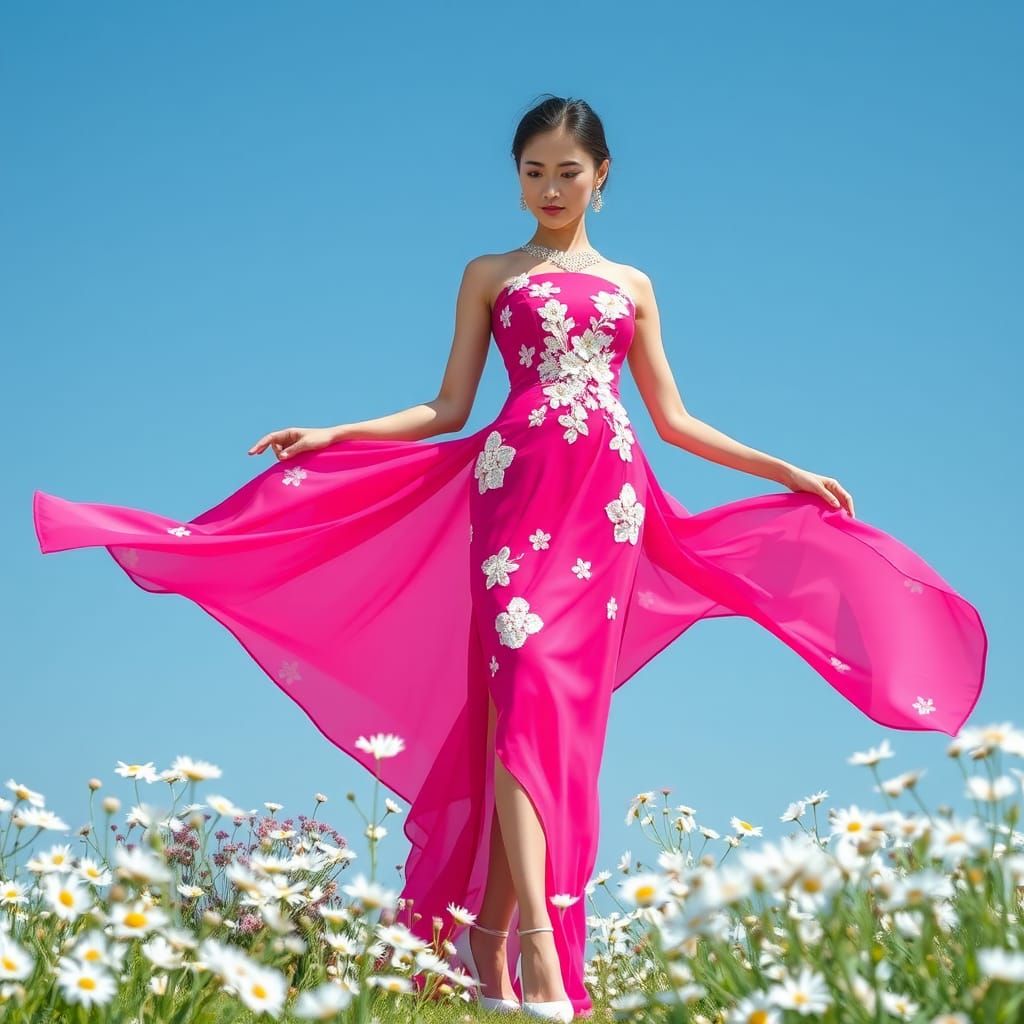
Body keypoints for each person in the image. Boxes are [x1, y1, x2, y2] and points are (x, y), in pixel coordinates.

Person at [31, 95, 988, 1021]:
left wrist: (787, 469)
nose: (550, 189)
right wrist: (336, 433)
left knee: (546, 720)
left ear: (603, 176)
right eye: (533, 173)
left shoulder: (633, 286)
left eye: (568, 172)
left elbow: (674, 419)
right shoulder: (489, 273)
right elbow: (447, 406)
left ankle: (492, 937)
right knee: (523, 691)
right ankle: (538, 946)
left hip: (606, 505)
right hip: (517, 495)